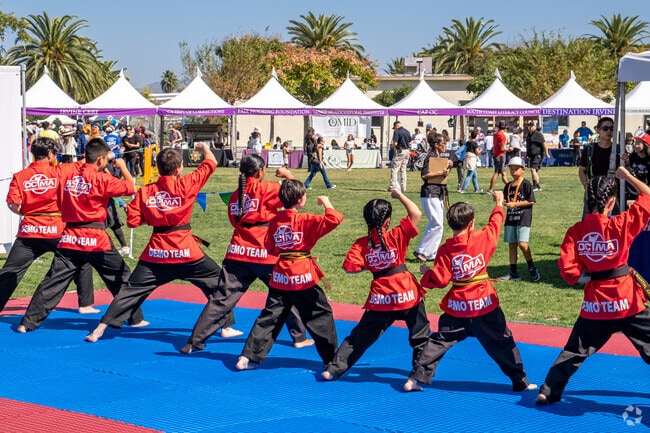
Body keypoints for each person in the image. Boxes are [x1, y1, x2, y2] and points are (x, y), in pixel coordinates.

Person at [84, 143, 234, 342]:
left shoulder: (146, 191)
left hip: (156, 254)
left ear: (157, 167)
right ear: (179, 168)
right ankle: (226, 326)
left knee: (130, 291)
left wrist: (150, 215)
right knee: (218, 282)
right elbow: (211, 162)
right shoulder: (187, 183)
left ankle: (100, 329)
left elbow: (133, 222)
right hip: (186, 252)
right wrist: (204, 147)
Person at [536, 168, 650, 405]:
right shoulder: (621, 224)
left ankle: (548, 390)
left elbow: (569, 273)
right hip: (626, 300)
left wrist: (587, 273)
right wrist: (627, 176)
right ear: (611, 202)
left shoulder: (576, 232)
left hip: (596, 305)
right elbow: (648, 196)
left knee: (575, 349)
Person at [403, 192, 536, 393]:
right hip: (484, 303)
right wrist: (499, 203)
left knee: (439, 341)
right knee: (502, 341)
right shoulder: (483, 237)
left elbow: (440, 280)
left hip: (458, 306)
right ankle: (520, 381)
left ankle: (415, 377)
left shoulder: (446, 249)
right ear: (472, 223)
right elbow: (496, 222)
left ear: (450, 224)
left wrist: (427, 273)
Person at [181, 155, 313, 354]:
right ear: (260, 171)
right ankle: (299, 338)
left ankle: (193, 342)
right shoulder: (268, 188)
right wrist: (288, 175)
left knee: (221, 299)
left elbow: (235, 222)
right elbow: (296, 197)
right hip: (265, 252)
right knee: (285, 293)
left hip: (237, 251)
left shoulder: (235, 196)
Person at [16, 138, 147, 332]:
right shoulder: (101, 179)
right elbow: (129, 187)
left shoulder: (67, 178)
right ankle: (135, 319)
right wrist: (122, 166)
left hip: (69, 236)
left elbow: (59, 201)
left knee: (54, 281)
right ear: (101, 160)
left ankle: (27, 323)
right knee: (120, 276)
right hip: (95, 238)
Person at [321, 189, 430, 381]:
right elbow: (416, 213)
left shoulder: (362, 244)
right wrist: (399, 196)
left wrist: (373, 266)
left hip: (381, 297)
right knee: (420, 336)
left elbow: (349, 268)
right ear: (387, 221)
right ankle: (418, 376)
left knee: (361, 336)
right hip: (407, 294)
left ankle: (333, 369)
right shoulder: (397, 235)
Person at [235, 180, 343, 370]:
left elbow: (270, 247)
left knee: (269, 317)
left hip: (280, 275)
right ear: (301, 200)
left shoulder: (275, 220)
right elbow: (334, 218)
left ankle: (246, 357)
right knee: (320, 314)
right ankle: (331, 361)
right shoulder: (305, 219)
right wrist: (326, 202)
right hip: (302, 276)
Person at [0, 137, 97, 316]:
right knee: (82, 260)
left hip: (29, 231)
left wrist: (26, 213)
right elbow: (86, 164)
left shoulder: (20, 176)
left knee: (10, 271)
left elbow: (12, 204)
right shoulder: (61, 171)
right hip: (56, 229)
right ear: (51, 154)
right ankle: (85, 304)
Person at [497, 157, 540, 282]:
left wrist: (515, 204)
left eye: (516, 169)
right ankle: (514, 272)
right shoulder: (508, 185)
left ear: (523, 170)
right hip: (511, 218)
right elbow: (507, 200)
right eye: (511, 169)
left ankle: (532, 267)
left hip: (523, 218)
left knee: (522, 243)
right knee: (512, 245)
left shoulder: (526, 184)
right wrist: (501, 201)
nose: (513, 171)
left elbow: (531, 201)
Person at [414, 133, 452, 263]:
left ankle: (431, 253)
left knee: (439, 224)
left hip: (438, 192)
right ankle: (421, 250)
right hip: (430, 192)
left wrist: (448, 167)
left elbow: (441, 176)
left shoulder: (438, 157)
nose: (445, 146)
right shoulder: (430, 156)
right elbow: (424, 175)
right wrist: (441, 172)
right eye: (443, 144)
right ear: (436, 144)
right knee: (436, 222)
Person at [578, 117, 616, 217]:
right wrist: (586, 186)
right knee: (590, 226)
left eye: (612, 128)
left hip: (612, 194)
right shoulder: (589, 149)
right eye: (605, 128)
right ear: (598, 130)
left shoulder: (618, 149)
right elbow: (582, 170)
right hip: (593, 193)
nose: (609, 131)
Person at [388, 120, 411, 192]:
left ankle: (392, 187)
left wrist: (392, 146)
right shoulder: (407, 131)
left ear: (396, 126)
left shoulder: (397, 131)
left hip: (400, 151)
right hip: (407, 151)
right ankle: (403, 187)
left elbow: (395, 143)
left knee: (394, 169)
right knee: (403, 170)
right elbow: (410, 141)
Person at [487, 120, 509, 194]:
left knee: (503, 173)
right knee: (497, 172)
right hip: (500, 156)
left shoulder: (496, 134)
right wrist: (509, 149)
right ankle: (490, 189)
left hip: (496, 154)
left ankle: (509, 187)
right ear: (505, 127)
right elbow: (502, 148)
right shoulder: (503, 136)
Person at [525, 120, 548, 192]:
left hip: (537, 155)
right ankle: (537, 185)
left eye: (531, 126)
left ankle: (534, 185)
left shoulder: (538, 134)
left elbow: (544, 144)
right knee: (535, 171)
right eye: (529, 126)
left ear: (535, 126)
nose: (530, 127)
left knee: (533, 169)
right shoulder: (529, 134)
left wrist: (547, 153)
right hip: (531, 155)